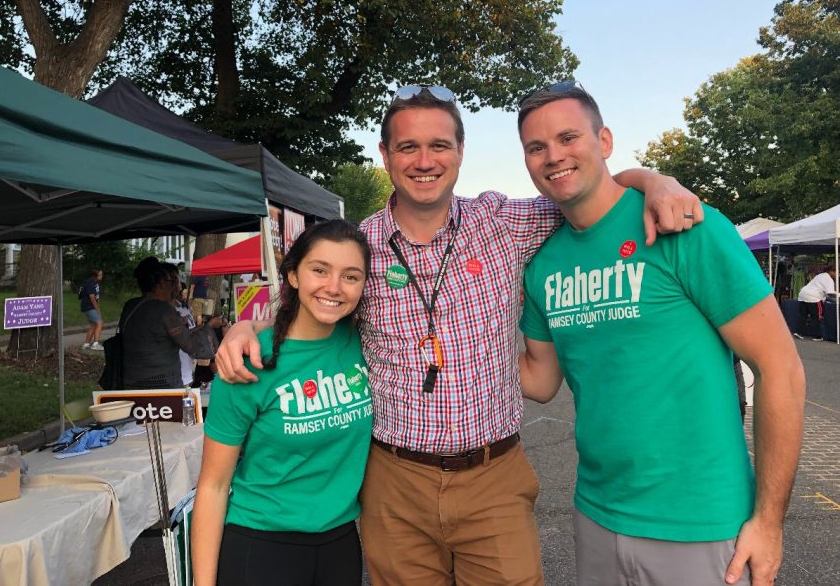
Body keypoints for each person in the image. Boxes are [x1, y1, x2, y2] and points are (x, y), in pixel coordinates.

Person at [216, 85, 703, 585]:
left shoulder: (504, 222)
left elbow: (582, 184)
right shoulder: (359, 250)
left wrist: (654, 180)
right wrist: (246, 325)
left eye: (440, 146)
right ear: (385, 155)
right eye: (408, 147)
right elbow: (301, 310)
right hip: (394, 481)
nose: (424, 161)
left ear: (461, 152)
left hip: (493, 476)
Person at [516, 81, 805, 586]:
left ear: (603, 141)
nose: (553, 156)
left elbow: (781, 368)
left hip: (703, 523)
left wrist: (770, 522)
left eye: (568, 138)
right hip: (597, 513)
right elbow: (541, 382)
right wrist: (451, 339)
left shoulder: (685, 226)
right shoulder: (543, 263)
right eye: (536, 147)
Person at [192, 220, 372, 586]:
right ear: (292, 275)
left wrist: (244, 323)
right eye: (319, 270)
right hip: (262, 545)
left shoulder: (364, 342)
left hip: (339, 543)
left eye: (351, 276)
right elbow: (212, 486)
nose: (334, 287)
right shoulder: (247, 363)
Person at [118, 259, 227, 390]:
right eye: (171, 282)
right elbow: (193, 347)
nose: (173, 287)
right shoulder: (164, 310)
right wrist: (209, 326)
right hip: (163, 384)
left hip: (132, 382)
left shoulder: (130, 305)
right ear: (161, 284)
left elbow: (152, 335)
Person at [794, 265, 837, 341]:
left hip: (803, 294)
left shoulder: (820, 275)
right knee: (817, 317)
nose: (838, 274)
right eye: (837, 272)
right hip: (813, 297)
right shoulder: (828, 279)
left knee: (803, 316)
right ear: (831, 271)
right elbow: (830, 293)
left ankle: (798, 332)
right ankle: (818, 336)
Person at [79, 269, 104, 351]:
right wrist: (97, 309)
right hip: (88, 306)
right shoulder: (90, 283)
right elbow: (92, 298)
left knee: (94, 325)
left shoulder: (96, 283)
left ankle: (86, 344)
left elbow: (96, 298)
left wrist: (98, 308)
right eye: (100, 275)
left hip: (91, 306)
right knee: (99, 323)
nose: (101, 276)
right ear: (95, 275)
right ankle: (95, 344)